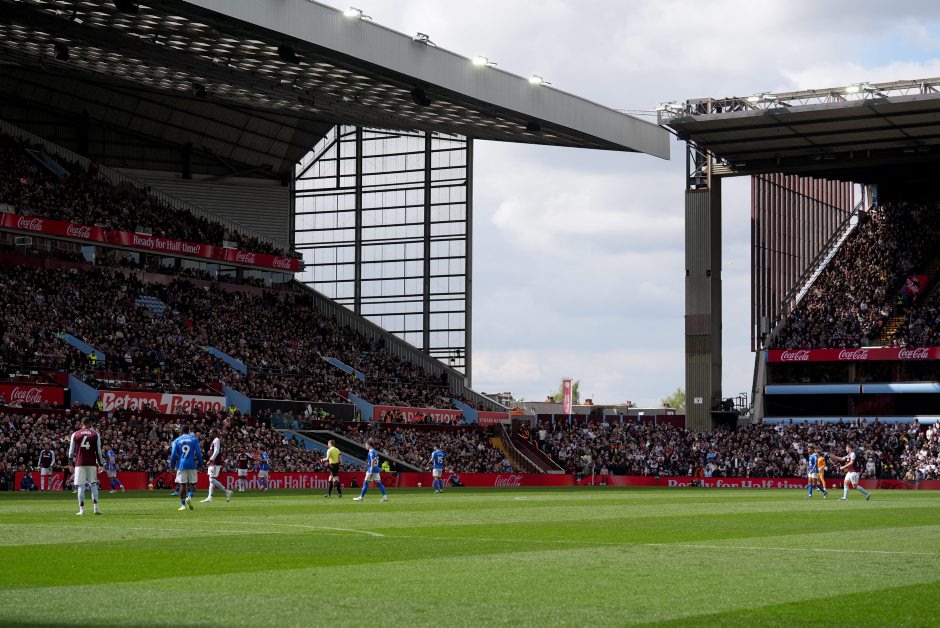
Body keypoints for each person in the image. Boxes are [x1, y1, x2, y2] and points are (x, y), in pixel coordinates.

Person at [68, 416, 103, 515]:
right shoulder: (95, 434)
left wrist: (70, 464)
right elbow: (98, 451)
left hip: (80, 463)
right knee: (93, 484)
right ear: (90, 424)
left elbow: (71, 451)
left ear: (81, 424)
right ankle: (96, 509)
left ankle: (82, 510)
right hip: (92, 463)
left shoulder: (75, 434)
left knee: (80, 486)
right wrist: (100, 464)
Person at [169, 423, 203, 511]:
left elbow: (173, 455)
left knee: (182, 485)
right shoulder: (194, 439)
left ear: (181, 431)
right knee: (193, 484)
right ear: (189, 431)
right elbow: (198, 453)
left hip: (181, 464)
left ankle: (183, 505)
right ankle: (189, 497)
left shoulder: (177, 440)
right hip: (192, 464)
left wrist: (171, 467)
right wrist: (201, 464)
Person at [201, 428, 233, 503]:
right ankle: (210, 497)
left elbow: (216, 451)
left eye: (211, 432)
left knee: (211, 479)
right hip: (213, 462)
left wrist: (211, 459)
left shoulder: (216, 440)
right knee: (211, 480)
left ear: (215, 433)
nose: (209, 434)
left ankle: (227, 491)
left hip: (215, 462)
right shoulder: (214, 441)